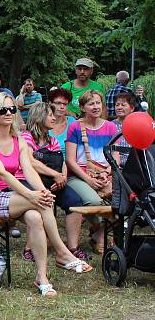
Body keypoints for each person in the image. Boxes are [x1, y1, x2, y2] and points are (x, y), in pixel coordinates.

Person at [0, 94, 91, 299]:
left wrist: (42, 191)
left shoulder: (18, 139)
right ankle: (63, 253)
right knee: (40, 203)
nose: (9, 113)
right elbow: (2, 173)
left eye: (12, 109)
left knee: (37, 215)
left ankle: (42, 278)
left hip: (15, 195)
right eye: (3, 110)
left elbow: (28, 170)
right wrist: (31, 194)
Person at [21, 102, 87, 261]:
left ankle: (73, 247)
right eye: (50, 115)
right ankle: (29, 248)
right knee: (42, 201)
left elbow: (62, 161)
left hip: (55, 181)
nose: (53, 118)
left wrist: (62, 177)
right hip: (29, 181)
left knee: (75, 202)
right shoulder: (26, 137)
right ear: (39, 117)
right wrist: (55, 175)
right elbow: (31, 162)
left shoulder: (53, 141)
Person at [65, 90, 116, 253]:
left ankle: (99, 235)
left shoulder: (110, 127)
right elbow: (70, 160)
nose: (95, 107)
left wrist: (107, 174)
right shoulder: (75, 127)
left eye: (98, 103)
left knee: (125, 201)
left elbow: (115, 158)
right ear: (82, 107)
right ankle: (101, 229)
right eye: (91, 103)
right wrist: (88, 179)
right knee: (93, 202)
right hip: (80, 176)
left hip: (105, 175)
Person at [47, 88, 75, 154]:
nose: (62, 107)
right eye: (58, 103)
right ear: (50, 103)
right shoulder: (42, 123)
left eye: (65, 104)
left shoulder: (72, 122)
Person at [113, 91, 136, 165]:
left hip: (134, 165)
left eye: (123, 105)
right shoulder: (110, 125)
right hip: (115, 165)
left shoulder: (137, 126)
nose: (119, 107)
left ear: (132, 108)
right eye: (117, 105)